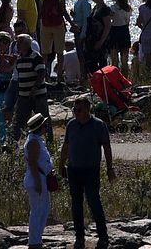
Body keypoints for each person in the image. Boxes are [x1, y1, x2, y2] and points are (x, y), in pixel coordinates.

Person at [60, 97, 115, 249]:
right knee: (76, 205)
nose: (76, 113)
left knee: (94, 202)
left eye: (79, 110)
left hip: (91, 170)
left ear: (87, 110)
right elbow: (65, 146)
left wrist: (110, 168)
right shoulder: (71, 125)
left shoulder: (99, 125)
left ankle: (103, 236)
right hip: (74, 170)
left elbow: (107, 148)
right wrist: (61, 165)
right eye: (74, 110)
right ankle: (79, 237)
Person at [11, 33, 51, 143]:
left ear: (26, 44)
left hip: (37, 95)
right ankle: (12, 144)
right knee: (18, 120)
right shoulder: (19, 58)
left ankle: (50, 142)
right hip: (23, 95)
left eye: (19, 42)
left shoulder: (36, 57)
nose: (17, 45)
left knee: (43, 119)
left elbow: (41, 73)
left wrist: (35, 88)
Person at [24, 113, 54, 249]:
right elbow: (32, 163)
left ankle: (37, 239)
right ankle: (34, 241)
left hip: (41, 178)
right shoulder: (33, 142)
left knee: (44, 209)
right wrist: (37, 182)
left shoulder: (37, 140)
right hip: (37, 178)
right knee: (37, 210)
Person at [38, 0, 72, 77]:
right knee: (60, 52)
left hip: (45, 25)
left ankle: (44, 76)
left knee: (45, 53)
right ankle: (59, 78)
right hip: (58, 25)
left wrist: (39, 24)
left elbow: (40, 10)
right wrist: (71, 23)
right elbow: (63, 11)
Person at [84, 0, 112, 73]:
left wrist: (101, 42)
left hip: (99, 40)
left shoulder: (104, 9)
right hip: (91, 39)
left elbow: (107, 26)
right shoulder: (96, 7)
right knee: (90, 63)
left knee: (101, 63)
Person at [109, 0, 132, 77]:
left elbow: (110, 19)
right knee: (124, 59)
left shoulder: (113, 8)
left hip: (115, 31)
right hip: (124, 31)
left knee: (114, 59)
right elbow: (127, 21)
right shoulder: (127, 8)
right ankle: (125, 78)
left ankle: (115, 78)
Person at [71, 0, 91, 82]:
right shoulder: (77, 2)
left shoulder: (84, 2)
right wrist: (73, 15)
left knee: (83, 55)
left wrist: (83, 33)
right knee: (79, 54)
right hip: (77, 30)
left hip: (82, 31)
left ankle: (85, 76)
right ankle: (82, 76)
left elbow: (86, 19)